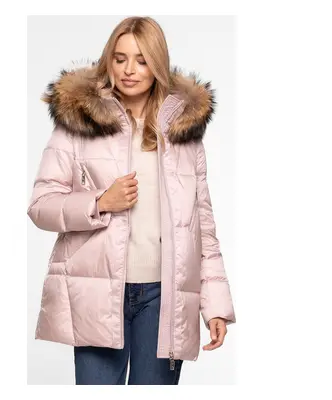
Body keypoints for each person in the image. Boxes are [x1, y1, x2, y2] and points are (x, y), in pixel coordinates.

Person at [27, 16, 236, 385]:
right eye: (120, 58)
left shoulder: (183, 132)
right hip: (97, 293)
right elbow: (41, 205)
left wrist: (215, 305)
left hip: (164, 297)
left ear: (158, 65)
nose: (129, 70)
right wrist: (99, 202)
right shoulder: (79, 122)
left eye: (142, 60)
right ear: (108, 60)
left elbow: (202, 226)